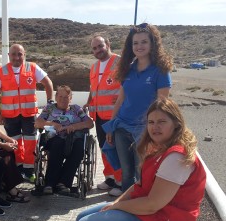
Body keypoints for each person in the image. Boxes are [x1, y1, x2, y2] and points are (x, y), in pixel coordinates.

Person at [70, 98, 206, 221]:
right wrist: (116, 204)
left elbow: (152, 205)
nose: (155, 127)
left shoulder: (176, 158)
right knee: (82, 217)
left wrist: (119, 207)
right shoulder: (161, 148)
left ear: (176, 124)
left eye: (162, 121)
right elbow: (139, 186)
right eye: (151, 122)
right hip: (152, 218)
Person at [104, 23, 173, 192]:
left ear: (152, 44)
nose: (139, 46)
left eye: (144, 42)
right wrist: (111, 127)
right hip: (122, 127)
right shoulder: (128, 69)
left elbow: (162, 104)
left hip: (144, 130)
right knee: (126, 172)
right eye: (135, 43)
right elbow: (120, 99)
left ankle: (141, 207)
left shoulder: (160, 71)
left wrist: (155, 131)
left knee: (141, 171)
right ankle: (127, 207)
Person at [0, 43, 54, 183]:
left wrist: (50, 104)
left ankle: (29, 170)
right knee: (15, 143)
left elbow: (48, 83)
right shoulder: (1, 71)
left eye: (20, 54)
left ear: (24, 54)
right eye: (13, 54)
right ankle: (19, 169)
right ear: (9, 56)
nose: (16, 57)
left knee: (30, 142)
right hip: (10, 115)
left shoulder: (32, 67)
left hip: (29, 114)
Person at [35, 85, 94, 195]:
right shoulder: (49, 108)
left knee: (79, 148)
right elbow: (38, 123)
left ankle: (63, 183)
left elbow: (90, 123)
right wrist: (52, 124)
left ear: (70, 98)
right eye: (60, 96)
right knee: (58, 144)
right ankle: (50, 183)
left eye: (66, 97)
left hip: (73, 137)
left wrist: (74, 127)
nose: (63, 100)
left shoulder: (76, 109)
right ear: (56, 97)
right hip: (54, 138)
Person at [85, 35, 122, 197]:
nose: (97, 50)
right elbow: (94, 90)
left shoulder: (120, 63)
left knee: (116, 149)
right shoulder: (94, 67)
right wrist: (88, 103)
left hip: (115, 115)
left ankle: (121, 182)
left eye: (100, 46)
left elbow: (128, 87)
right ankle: (110, 178)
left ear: (107, 44)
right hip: (99, 115)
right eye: (94, 48)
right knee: (104, 148)